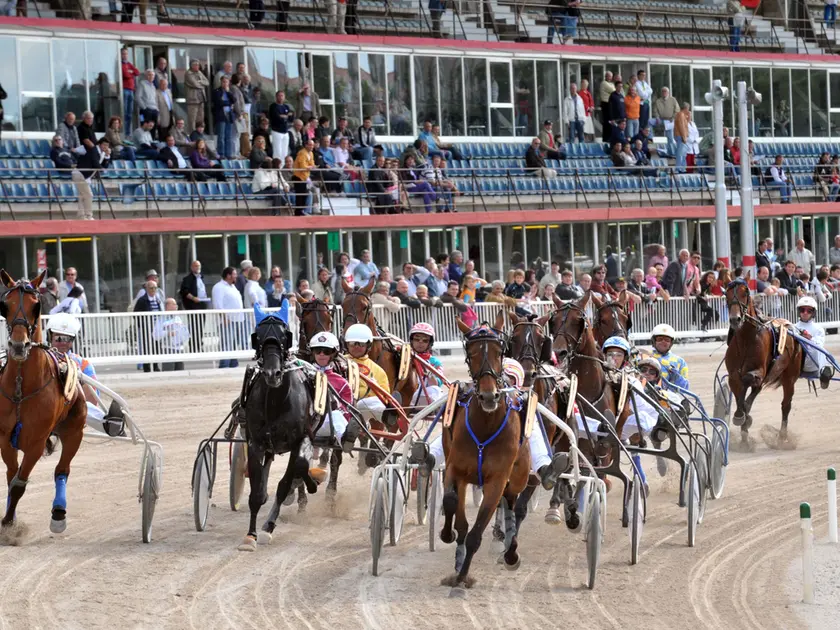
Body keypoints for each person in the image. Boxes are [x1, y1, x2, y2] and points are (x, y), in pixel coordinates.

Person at [44, 314, 126, 437]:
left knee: (80, 403)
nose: (63, 343)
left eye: (68, 339)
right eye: (59, 338)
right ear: (50, 337)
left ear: (73, 341)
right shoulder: (40, 359)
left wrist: (76, 379)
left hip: (69, 413)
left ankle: (109, 424)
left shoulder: (83, 364)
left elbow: (93, 399)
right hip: (44, 408)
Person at [306, 332, 359, 475]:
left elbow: (347, 409)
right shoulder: (303, 375)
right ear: (313, 352)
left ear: (333, 354)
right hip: (306, 424)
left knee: (336, 414)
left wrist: (336, 407)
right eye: (318, 350)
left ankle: (345, 439)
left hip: (328, 425)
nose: (322, 354)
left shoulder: (342, 382)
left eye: (327, 351)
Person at [344, 323, 390, 425]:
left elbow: (384, 397)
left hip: (362, 408)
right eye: (352, 343)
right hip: (341, 406)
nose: (356, 347)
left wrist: (375, 388)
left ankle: (388, 416)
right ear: (346, 344)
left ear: (368, 345)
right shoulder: (339, 362)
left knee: (368, 403)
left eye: (361, 344)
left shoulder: (378, 370)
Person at [794, 295, 833, 388]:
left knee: (820, 350)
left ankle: (824, 373)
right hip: (796, 365)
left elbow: (819, 345)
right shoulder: (793, 327)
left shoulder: (818, 329)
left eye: (809, 311)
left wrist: (809, 338)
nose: (805, 313)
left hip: (814, 365)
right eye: (802, 310)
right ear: (799, 312)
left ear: (813, 313)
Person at [212, 266, 245, 368]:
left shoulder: (232, 286)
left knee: (234, 345)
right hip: (227, 320)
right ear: (228, 275)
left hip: (237, 319)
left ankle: (233, 365)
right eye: (234, 274)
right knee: (227, 344)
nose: (236, 277)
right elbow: (218, 304)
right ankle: (224, 366)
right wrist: (224, 317)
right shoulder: (219, 287)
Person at [73, 137, 112, 220]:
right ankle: (88, 215)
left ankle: (81, 216)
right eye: (104, 145)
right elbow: (95, 163)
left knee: (82, 196)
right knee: (89, 195)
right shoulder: (94, 150)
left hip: (84, 176)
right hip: (80, 174)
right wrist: (102, 170)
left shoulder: (102, 153)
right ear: (99, 144)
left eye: (107, 146)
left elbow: (105, 166)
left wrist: (107, 156)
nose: (105, 147)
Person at [133, 280, 164, 372]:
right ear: (146, 289)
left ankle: (155, 366)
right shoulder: (142, 300)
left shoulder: (158, 299)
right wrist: (143, 325)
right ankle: (147, 367)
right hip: (146, 327)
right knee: (146, 347)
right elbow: (136, 314)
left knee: (157, 346)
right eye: (151, 288)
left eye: (155, 288)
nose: (153, 290)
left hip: (156, 327)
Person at [179, 260, 209, 354]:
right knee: (194, 327)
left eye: (199, 266)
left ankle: (200, 345)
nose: (197, 268)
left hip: (202, 305)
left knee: (201, 327)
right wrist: (193, 298)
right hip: (193, 306)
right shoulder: (187, 279)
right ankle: (194, 346)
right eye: (195, 266)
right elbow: (184, 292)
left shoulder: (202, 278)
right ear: (191, 267)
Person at [152, 298, 189, 371]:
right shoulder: (161, 318)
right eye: (174, 304)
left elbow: (184, 331)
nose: (176, 307)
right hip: (168, 349)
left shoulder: (178, 318)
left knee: (180, 371)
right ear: (167, 306)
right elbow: (155, 335)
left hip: (180, 349)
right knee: (168, 372)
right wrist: (167, 333)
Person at [649, 323, 689, 389]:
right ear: (654, 341)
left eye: (667, 340)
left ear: (671, 343)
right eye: (660, 339)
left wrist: (678, 378)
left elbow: (685, 388)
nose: (663, 342)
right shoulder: (645, 357)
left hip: (671, 398)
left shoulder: (680, 362)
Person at [652, 87, 679, 156]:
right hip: (661, 120)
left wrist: (673, 117)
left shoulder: (673, 100)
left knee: (669, 137)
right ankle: (651, 140)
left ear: (668, 93)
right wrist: (657, 117)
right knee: (650, 122)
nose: (664, 93)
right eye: (663, 91)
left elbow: (677, 110)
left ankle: (671, 152)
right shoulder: (658, 101)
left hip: (670, 120)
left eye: (665, 91)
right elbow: (655, 111)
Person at [185, 59, 210, 134]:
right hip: (193, 100)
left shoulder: (199, 72)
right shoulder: (188, 73)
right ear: (191, 66)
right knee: (192, 120)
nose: (197, 66)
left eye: (198, 65)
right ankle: (193, 135)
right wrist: (201, 84)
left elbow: (207, 82)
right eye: (195, 65)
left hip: (201, 99)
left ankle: (200, 135)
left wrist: (200, 82)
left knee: (200, 119)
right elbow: (195, 84)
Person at [268, 90, 293, 162]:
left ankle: (283, 167)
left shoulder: (286, 106)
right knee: (277, 151)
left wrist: (284, 116)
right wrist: (285, 116)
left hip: (285, 131)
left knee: (284, 152)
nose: (281, 97)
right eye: (279, 96)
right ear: (276, 97)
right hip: (277, 131)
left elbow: (291, 117)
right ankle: (276, 167)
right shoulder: (273, 106)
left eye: (282, 96)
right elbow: (276, 117)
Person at [121, 48, 141, 133]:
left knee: (130, 113)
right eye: (123, 54)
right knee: (124, 112)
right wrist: (130, 72)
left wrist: (130, 71)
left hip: (131, 90)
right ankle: (124, 132)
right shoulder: (120, 64)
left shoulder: (129, 64)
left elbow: (137, 72)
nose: (125, 55)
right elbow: (126, 75)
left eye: (126, 54)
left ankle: (128, 132)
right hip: (125, 90)